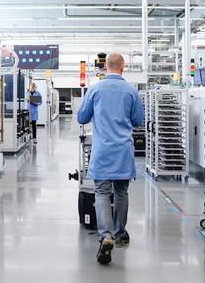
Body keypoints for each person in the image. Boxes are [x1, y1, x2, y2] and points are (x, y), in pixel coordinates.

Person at [77, 53, 144, 265]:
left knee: (102, 192)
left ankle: (105, 236)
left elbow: (81, 117)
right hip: (123, 151)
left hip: (102, 151)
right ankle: (120, 233)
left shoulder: (95, 89)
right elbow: (137, 121)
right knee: (121, 192)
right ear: (123, 67)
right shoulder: (131, 91)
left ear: (105, 67)